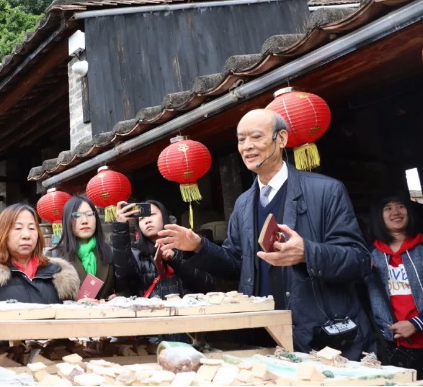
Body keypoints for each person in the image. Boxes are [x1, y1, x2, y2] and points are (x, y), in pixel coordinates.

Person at [158, 109, 373, 360]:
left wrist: (307, 253)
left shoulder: (326, 191)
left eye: (256, 137)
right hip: (263, 335)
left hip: (318, 332)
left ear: (280, 139)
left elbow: (358, 260)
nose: (247, 146)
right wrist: (199, 246)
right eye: (241, 139)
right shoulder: (244, 203)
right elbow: (236, 265)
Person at [366, 192, 423, 378]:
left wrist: (416, 323)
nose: (395, 212)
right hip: (391, 345)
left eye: (400, 206)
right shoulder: (369, 255)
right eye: (387, 208)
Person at [0, 203, 80, 303]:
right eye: (18, 228)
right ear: (3, 233)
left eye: (32, 228)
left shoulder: (60, 275)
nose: (26, 235)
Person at [112, 200, 214, 299]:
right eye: (141, 218)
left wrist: (175, 260)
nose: (147, 220)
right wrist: (120, 227)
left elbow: (207, 284)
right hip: (151, 313)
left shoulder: (187, 244)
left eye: (152, 214)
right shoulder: (135, 252)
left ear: (164, 217)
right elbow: (124, 274)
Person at [53, 196, 117, 299]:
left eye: (89, 214)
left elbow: (125, 290)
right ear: (67, 220)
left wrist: (114, 299)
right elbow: (49, 300)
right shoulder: (55, 258)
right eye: (77, 215)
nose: (84, 221)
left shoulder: (110, 252)